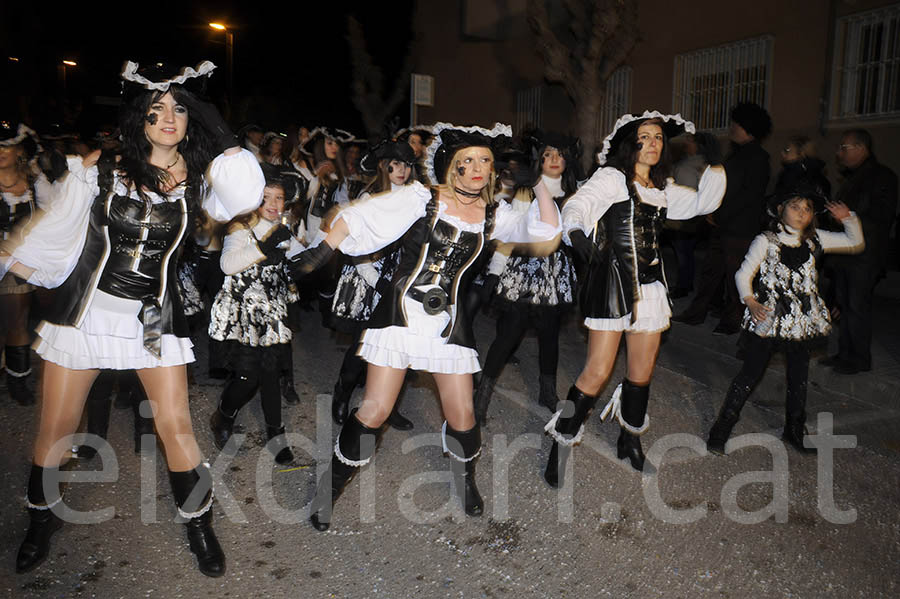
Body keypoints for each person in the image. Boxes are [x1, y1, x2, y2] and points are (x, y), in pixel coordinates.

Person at [0, 60, 264, 577]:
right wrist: (18, 265)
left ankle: (198, 522)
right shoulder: (102, 168)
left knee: (177, 427)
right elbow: (58, 231)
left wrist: (223, 134)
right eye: (157, 108)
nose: (169, 118)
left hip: (152, 319)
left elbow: (247, 197)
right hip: (86, 316)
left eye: (180, 109)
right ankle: (40, 521)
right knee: (55, 428)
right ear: (138, 117)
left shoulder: (201, 181)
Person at [289, 122, 561, 530]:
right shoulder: (423, 199)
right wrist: (323, 249)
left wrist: (538, 183)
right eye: (466, 160)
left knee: (464, 414)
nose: (476, 167)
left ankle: (465, 479)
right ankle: (329, 491)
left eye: (484, 160)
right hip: (401, 315)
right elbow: (361, 216)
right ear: (451, 166)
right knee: (375, 409)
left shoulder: (494, 216)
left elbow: (546, 231)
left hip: (448, 324)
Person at [548, 111, 726, 484]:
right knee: (596, 372)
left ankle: (629, 442)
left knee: (641, 373)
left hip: (650, 289)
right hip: (614, 283)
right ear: (631, 144)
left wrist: (715, 165)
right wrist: (577, 234)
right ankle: (561, 442)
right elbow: (577, 206)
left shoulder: (663, 187)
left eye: (659, 137)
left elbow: (703, 204)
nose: (653, 143)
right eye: (644, 137)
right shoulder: (613, 178)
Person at [707, 183, 863, 454]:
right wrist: (751, 301)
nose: (802, 213)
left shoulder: (816, 240)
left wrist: (848, 218)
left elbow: (855, 242)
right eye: (795, 206)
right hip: (768, 317)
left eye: (807, 208)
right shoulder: (766, 240)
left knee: (799, 376)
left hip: (801, 320)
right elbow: (743, 274)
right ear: (780, 210)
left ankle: (793, 430)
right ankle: (721, 429)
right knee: (749, 374)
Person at [474, 130, 581, 422]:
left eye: (559, 153)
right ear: (539, 160)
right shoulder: (525, 190)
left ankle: (547, 393)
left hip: (555, 275)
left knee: (550, 335)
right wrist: (495, 273)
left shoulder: (576, 193)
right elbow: (508, 236)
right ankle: (481, 396)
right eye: (548, 154)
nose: (554, 159)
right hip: (523, 272)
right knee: (508, 334)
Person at [208, 164, 302, 464]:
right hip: (244, 314)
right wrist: (263, 247)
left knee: (271, 375)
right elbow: (227, 266)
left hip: (272, 313)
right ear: (253, 200)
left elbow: (305, 257)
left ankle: (277, 434)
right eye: (266, 198)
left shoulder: (285, 229)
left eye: (279, 198)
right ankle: (223, 416)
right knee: (248, 378)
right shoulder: (241, 228)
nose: (273, 204)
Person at [329, 140, 417, 430]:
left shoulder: (415, 199)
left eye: (406, 164)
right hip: (368, 278)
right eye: (395, 164)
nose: (401, 170)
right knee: (362, 346)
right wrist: (380, 283)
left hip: (399, 279)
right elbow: (356, 251)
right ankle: (342, 394)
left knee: (395, 348)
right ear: (383, 165)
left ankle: (387, 405)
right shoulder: (370, 198)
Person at [674, 102, 771, 335]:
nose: (731, 129)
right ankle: (697, 312)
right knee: (710, 271)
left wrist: (721, 215)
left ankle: (733, 318)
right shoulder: (736, 154)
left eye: (735, 125)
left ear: (747, 128)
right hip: (722, 224)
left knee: (735, 275)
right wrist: (712, 211)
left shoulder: (758, 157)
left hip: (739, 228)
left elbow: (749, 196)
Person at [820, 129, 898, 374]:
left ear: (861, 148)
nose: (839, 153)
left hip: (865, 255)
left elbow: (882, 218)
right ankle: (845, 353)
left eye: (844, 148)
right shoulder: (853, 178)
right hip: (846, 252)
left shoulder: (882, 177)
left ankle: (859, 358)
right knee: (843, 304)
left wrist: (849, 217)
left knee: (857, 306)